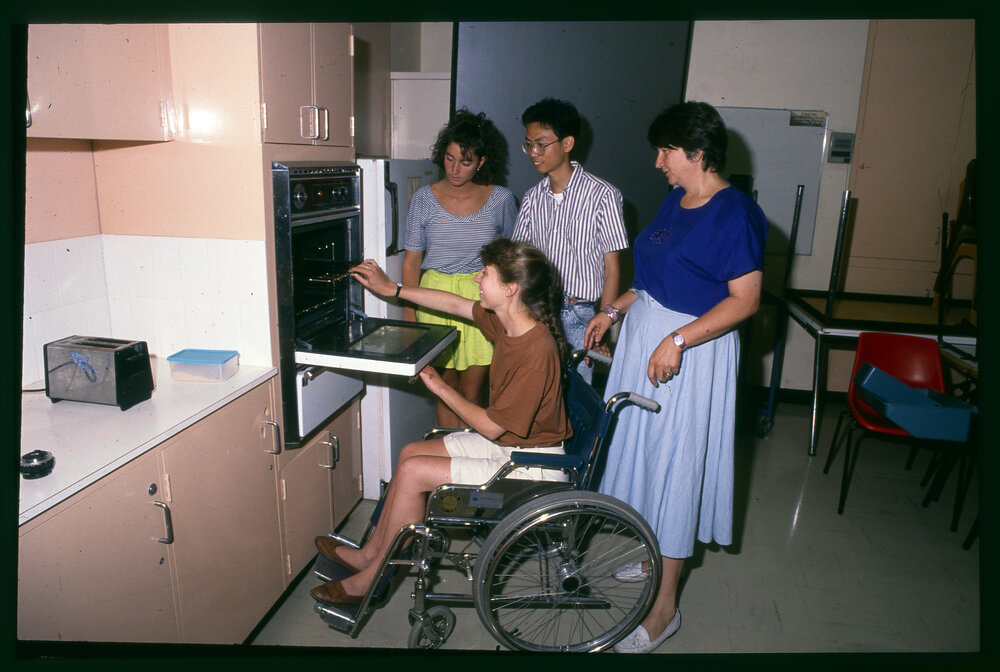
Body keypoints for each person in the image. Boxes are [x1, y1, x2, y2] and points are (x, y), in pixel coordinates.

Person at [584, 101, 767, 654]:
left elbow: (745, 301)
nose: (657, 161)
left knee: (676, 467)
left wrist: (679, 339)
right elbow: (649, 278)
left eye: (666, 151)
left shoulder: (736, 214)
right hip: (647, 343)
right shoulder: (674, 199)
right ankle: (650, 556)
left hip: (692, 353)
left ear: (698, 152)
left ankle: (665, 610)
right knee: (645, 455)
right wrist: (613, 310)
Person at [311, 237, 572, 606]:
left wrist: (439, 386)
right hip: (512, 448)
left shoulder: (535, 351)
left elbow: (491, 427)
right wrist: (393, 289)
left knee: (415, 471)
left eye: (485, 273)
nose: (477, 279)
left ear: (511, 288)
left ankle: (371, 579)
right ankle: (369, 554)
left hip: (533, 469)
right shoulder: (510, 323)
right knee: (410, 453)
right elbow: (453, 303)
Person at [402, 109, 517, 427]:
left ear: (481, 162)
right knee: (444, 390)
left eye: (465, 162)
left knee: (472, 393)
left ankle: (467, 454)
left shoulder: (501, 199)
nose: (454, 169)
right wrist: (409, 315)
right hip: (433, 300)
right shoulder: (423, 199)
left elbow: (511, 258)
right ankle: (446, 450)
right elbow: (412, 259)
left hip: (481, 299)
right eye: (449, 158)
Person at [511, 98, 629, 382]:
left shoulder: (603, 195)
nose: (534, 153)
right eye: (529, 145)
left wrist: (602, 323)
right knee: (536, 391)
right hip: (537, 311)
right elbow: (519, 263)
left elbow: (612, 267)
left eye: (542, 144)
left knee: (574, 398)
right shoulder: (532, 198)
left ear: (567, 143)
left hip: (580, 316)